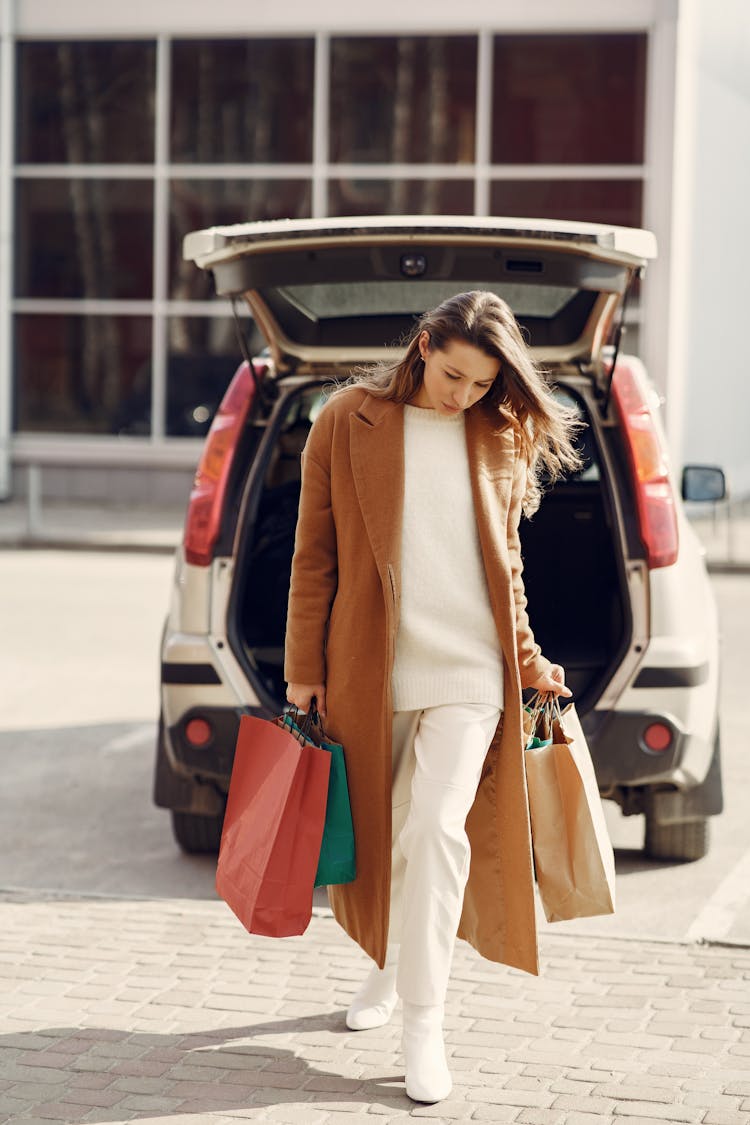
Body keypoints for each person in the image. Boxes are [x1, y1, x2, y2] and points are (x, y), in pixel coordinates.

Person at [284, 290, 581, 1104]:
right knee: (388, 842)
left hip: (470, 672)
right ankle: (388, 963)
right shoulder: (345, 420)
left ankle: (425, 1020)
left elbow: (507, 567)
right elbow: (315, 554)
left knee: (434, 826)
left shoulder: (500, 436)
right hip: (370, 667)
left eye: (482, 384)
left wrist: (527, 660)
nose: (464, 396)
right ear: (423, 347)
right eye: (454, 375)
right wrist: (301, 666)